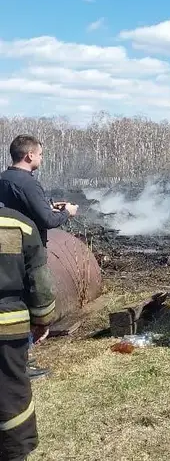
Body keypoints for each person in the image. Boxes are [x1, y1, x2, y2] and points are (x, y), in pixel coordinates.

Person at [0, 135, 77, 381]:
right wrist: (67, 213)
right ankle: (21, 365)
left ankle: (14, 360)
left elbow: (22, 209)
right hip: (26, 251)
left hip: (6, 251)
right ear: (29, 155)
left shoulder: (3, 179)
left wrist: (50, 206)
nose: (41, 158)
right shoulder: (28, 183)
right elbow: (47, 220)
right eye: (41, 154)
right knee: (26, 306)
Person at [0, 202, 56, 461]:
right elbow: (39, 280)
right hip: (8, 329)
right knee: (11, 392)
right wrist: (43, 318)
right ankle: (13, 453)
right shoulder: (19, 224)